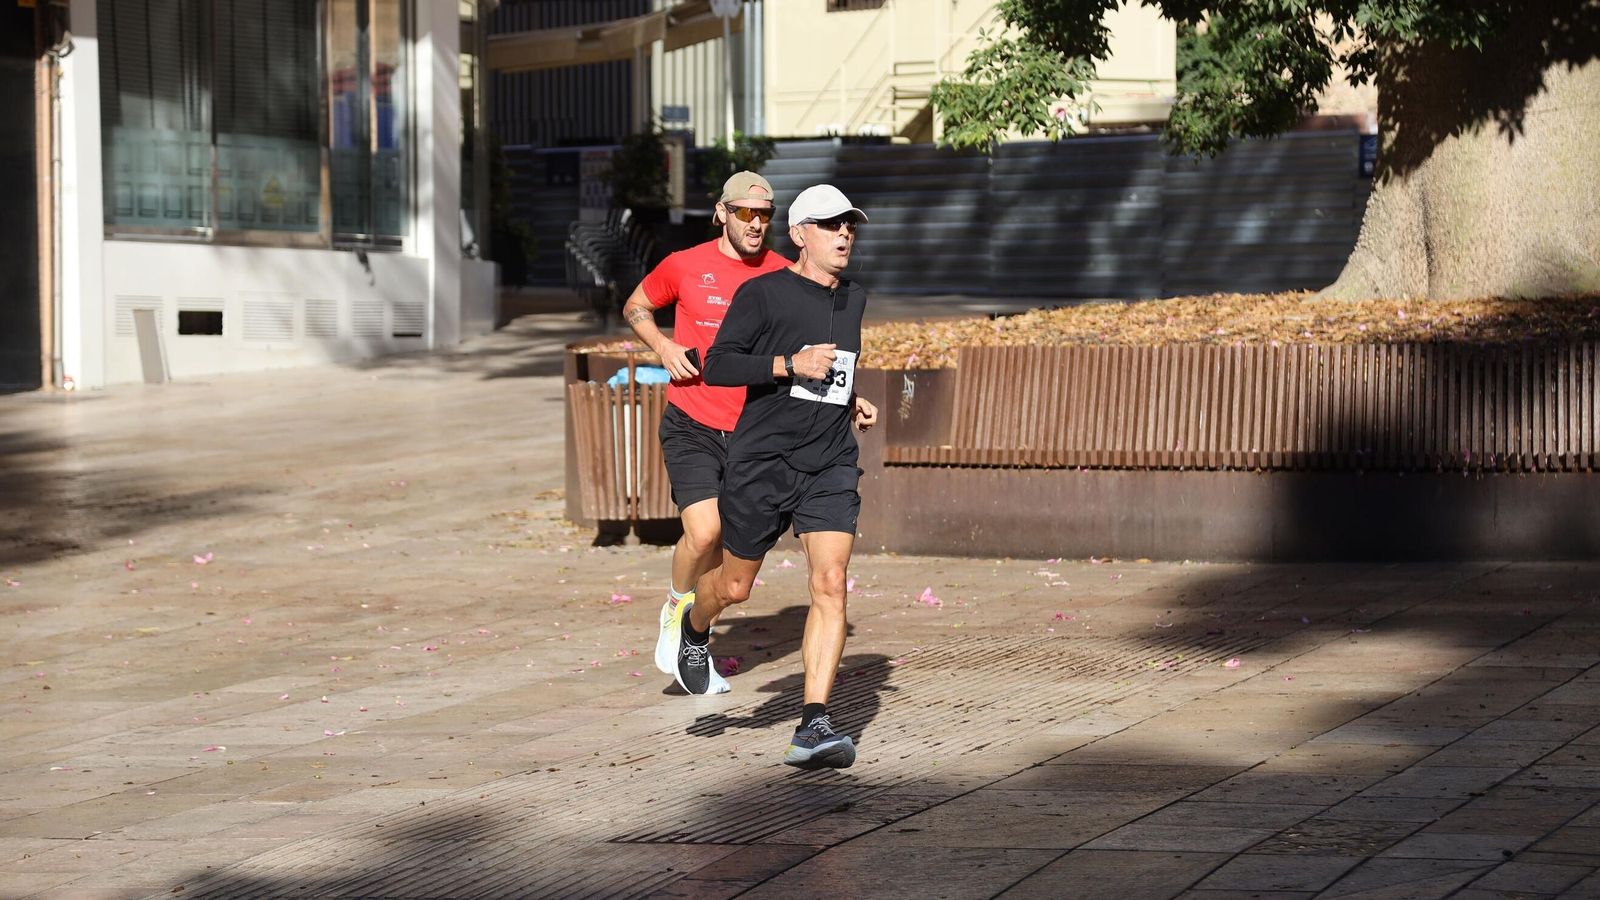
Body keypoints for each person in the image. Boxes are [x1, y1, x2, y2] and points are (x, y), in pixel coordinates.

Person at [664, 183, 879, 770]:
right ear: (800, 234)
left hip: (829, 460)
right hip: (762, 462)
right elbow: (719, 364)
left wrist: (852, 399)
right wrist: (789, 364)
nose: (844, 235)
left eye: (850, 225)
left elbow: (836, 369)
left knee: (830, 582)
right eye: (831, 225)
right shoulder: (763, 293)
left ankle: (814, 724)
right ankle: (694, 624)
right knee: (734, 587)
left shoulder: (854, 298)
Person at [622, 172, 792, 686]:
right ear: (722, 214)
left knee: (725, 552)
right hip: (692, 421)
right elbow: (635, 306)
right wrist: (664, 347)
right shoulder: (685, 264)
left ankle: (696, 634)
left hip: (752, 432)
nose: (756, 224)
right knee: (704, 531)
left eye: (765, 215)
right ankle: (676, 606)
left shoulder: (783, 274)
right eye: (746, 213)